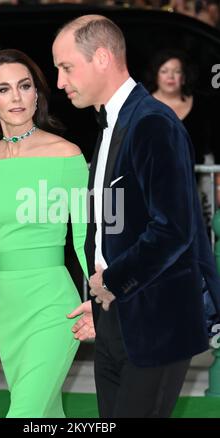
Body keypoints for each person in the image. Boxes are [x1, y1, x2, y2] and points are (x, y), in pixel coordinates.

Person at [52, 14, 220, 418]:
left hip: (156, 318)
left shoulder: (153, 123)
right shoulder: (113, 124)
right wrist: (101, 296)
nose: (59, 82)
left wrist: (111, 280)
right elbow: (116, 225)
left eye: (66, 67)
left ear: (103, 58)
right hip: (114, 315)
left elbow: (173, 229)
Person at [0, 48, 89, 418]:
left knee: (25, 414)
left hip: (54, 307)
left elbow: (85, 239)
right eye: (4, 89)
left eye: (24, 86)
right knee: (46, 413)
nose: (17, 97)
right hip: (8, 313)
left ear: (37, 94)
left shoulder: (66, 155)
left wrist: (102, 302)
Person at [146, 48, 214, 228]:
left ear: (184, 77)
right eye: (164, 71)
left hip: (195, 182)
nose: (171, 77)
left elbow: (208, 146)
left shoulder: (201, 105)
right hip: (153, 184)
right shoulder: (143, 105)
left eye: (177, 72)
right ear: (156, 75)